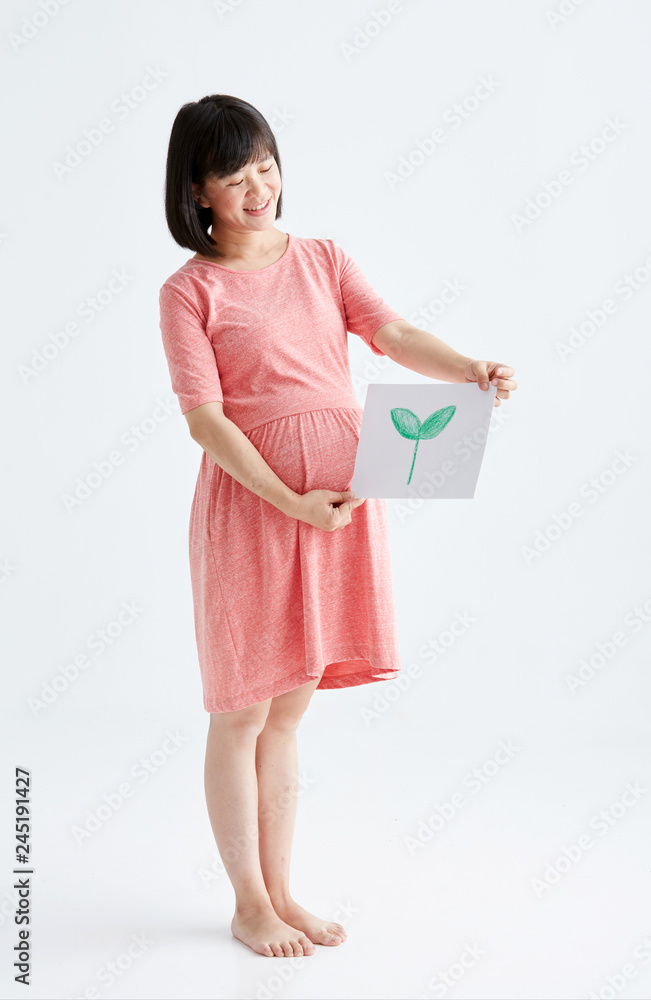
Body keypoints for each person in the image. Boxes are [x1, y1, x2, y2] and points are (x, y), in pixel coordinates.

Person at [159, 94, 517, 960]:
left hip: (342, 508)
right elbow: (205, 421)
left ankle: (282, 893)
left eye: (266, 166)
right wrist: (287, 499)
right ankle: (248, 903)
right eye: (234, 177)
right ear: (197, 192)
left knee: (287, 714)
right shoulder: (189, 291)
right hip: (254, 510)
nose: (259, 188)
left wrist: (466, 368)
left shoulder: (322, 258)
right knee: (240, 712)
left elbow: (392, 333)